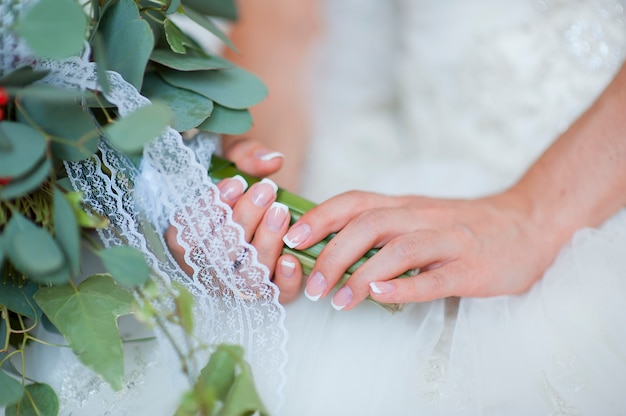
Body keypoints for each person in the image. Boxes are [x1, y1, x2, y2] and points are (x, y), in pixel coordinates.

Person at [191, 1, 626, 415]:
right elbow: (284, 20)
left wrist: (532, 215)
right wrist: (264, 197)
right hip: (403, 157)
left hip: (597, 191)